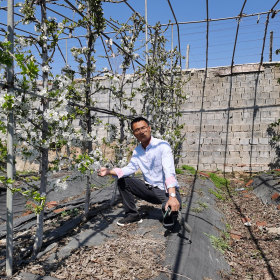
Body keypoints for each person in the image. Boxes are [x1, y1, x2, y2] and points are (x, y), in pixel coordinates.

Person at [98, 116, 181, 227]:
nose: (141, 132)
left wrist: (172, 196)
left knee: (170, 218)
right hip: (150, 190)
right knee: (123, 181)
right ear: (134, 134)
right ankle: (133, 215)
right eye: (137, 130)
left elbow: (169, 172)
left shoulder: (162, 146)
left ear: (149, 128)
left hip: (165, 190)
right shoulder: (137, 151)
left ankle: (170, 209)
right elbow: (130, 168)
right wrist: (109, 171)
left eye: (143, 128)